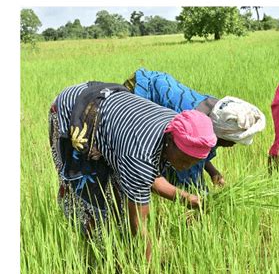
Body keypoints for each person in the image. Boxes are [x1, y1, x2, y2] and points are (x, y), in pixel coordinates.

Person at [49, 81, 217, 261]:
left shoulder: (174, 126)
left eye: (194, 161)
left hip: (110, 114)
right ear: (169, 139)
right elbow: (137, 224)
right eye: (184, 159)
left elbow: (150, 176)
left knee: (119, 196)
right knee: (87, 197)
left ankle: (112, 246)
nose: (187, 166)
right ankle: (92, 255)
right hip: (74, 111)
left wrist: (188, 199)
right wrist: (150, 267)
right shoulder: (140, 154)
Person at [124, 68, 266, 191]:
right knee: (141, 160)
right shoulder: (192, 126)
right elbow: (188, 171)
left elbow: (198, 153)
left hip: (158, 84)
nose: (232, 145)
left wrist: (213, 172)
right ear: (218, 134)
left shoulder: (216, 114)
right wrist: (203, 201)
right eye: (231, 141)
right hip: (138, 92)